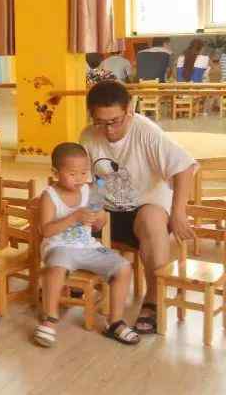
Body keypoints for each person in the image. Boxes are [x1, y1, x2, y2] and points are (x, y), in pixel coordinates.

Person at [80, 81, 196, 334]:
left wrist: (178, 212)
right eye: (100, 122)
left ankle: (153, 300)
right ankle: (77, 279)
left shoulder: (146, 132)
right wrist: (94, 208)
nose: (109, 130)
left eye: (115, 121)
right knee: (66, 213)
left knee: (152, 220)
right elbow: (88, 181)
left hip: (147, 206)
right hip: (110, 208)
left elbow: (184, 167)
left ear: (129, 110)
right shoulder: (88, 136)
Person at [32, 143, 139, 348]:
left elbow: (100, 223)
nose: (80, 178)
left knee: (124, 267)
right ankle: (50, 319)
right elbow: (45, 231)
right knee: (55, 269)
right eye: (72, 174)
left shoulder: (91, 192)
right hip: (59, 247)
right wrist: (74, 217)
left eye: (84, 172)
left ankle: (115, 321)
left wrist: (99, 218)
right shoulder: (49, 196)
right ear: (55, 172)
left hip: (88, 246)